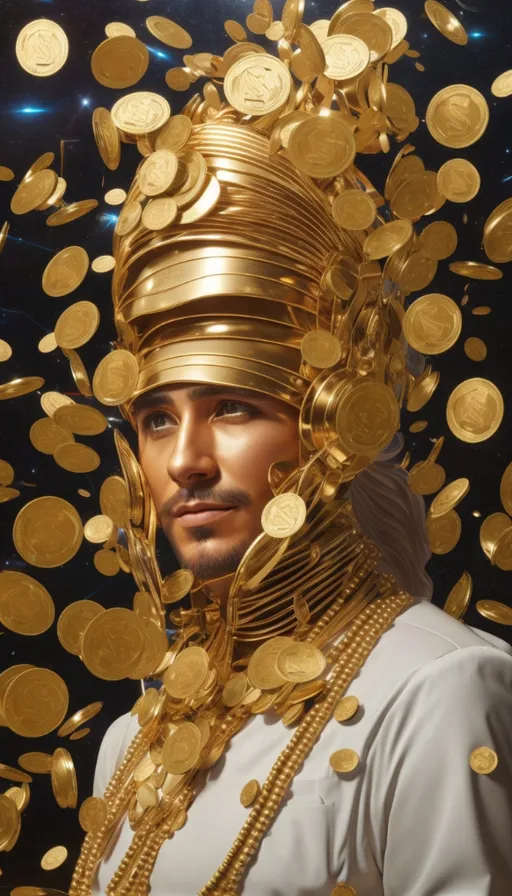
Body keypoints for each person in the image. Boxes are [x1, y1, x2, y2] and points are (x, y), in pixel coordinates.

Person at [43, 4, 511, 895]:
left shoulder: (442, 694)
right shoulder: (131, 741)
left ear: (334, 420)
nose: (184, 461)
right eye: (153, 419)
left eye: (232, 407)